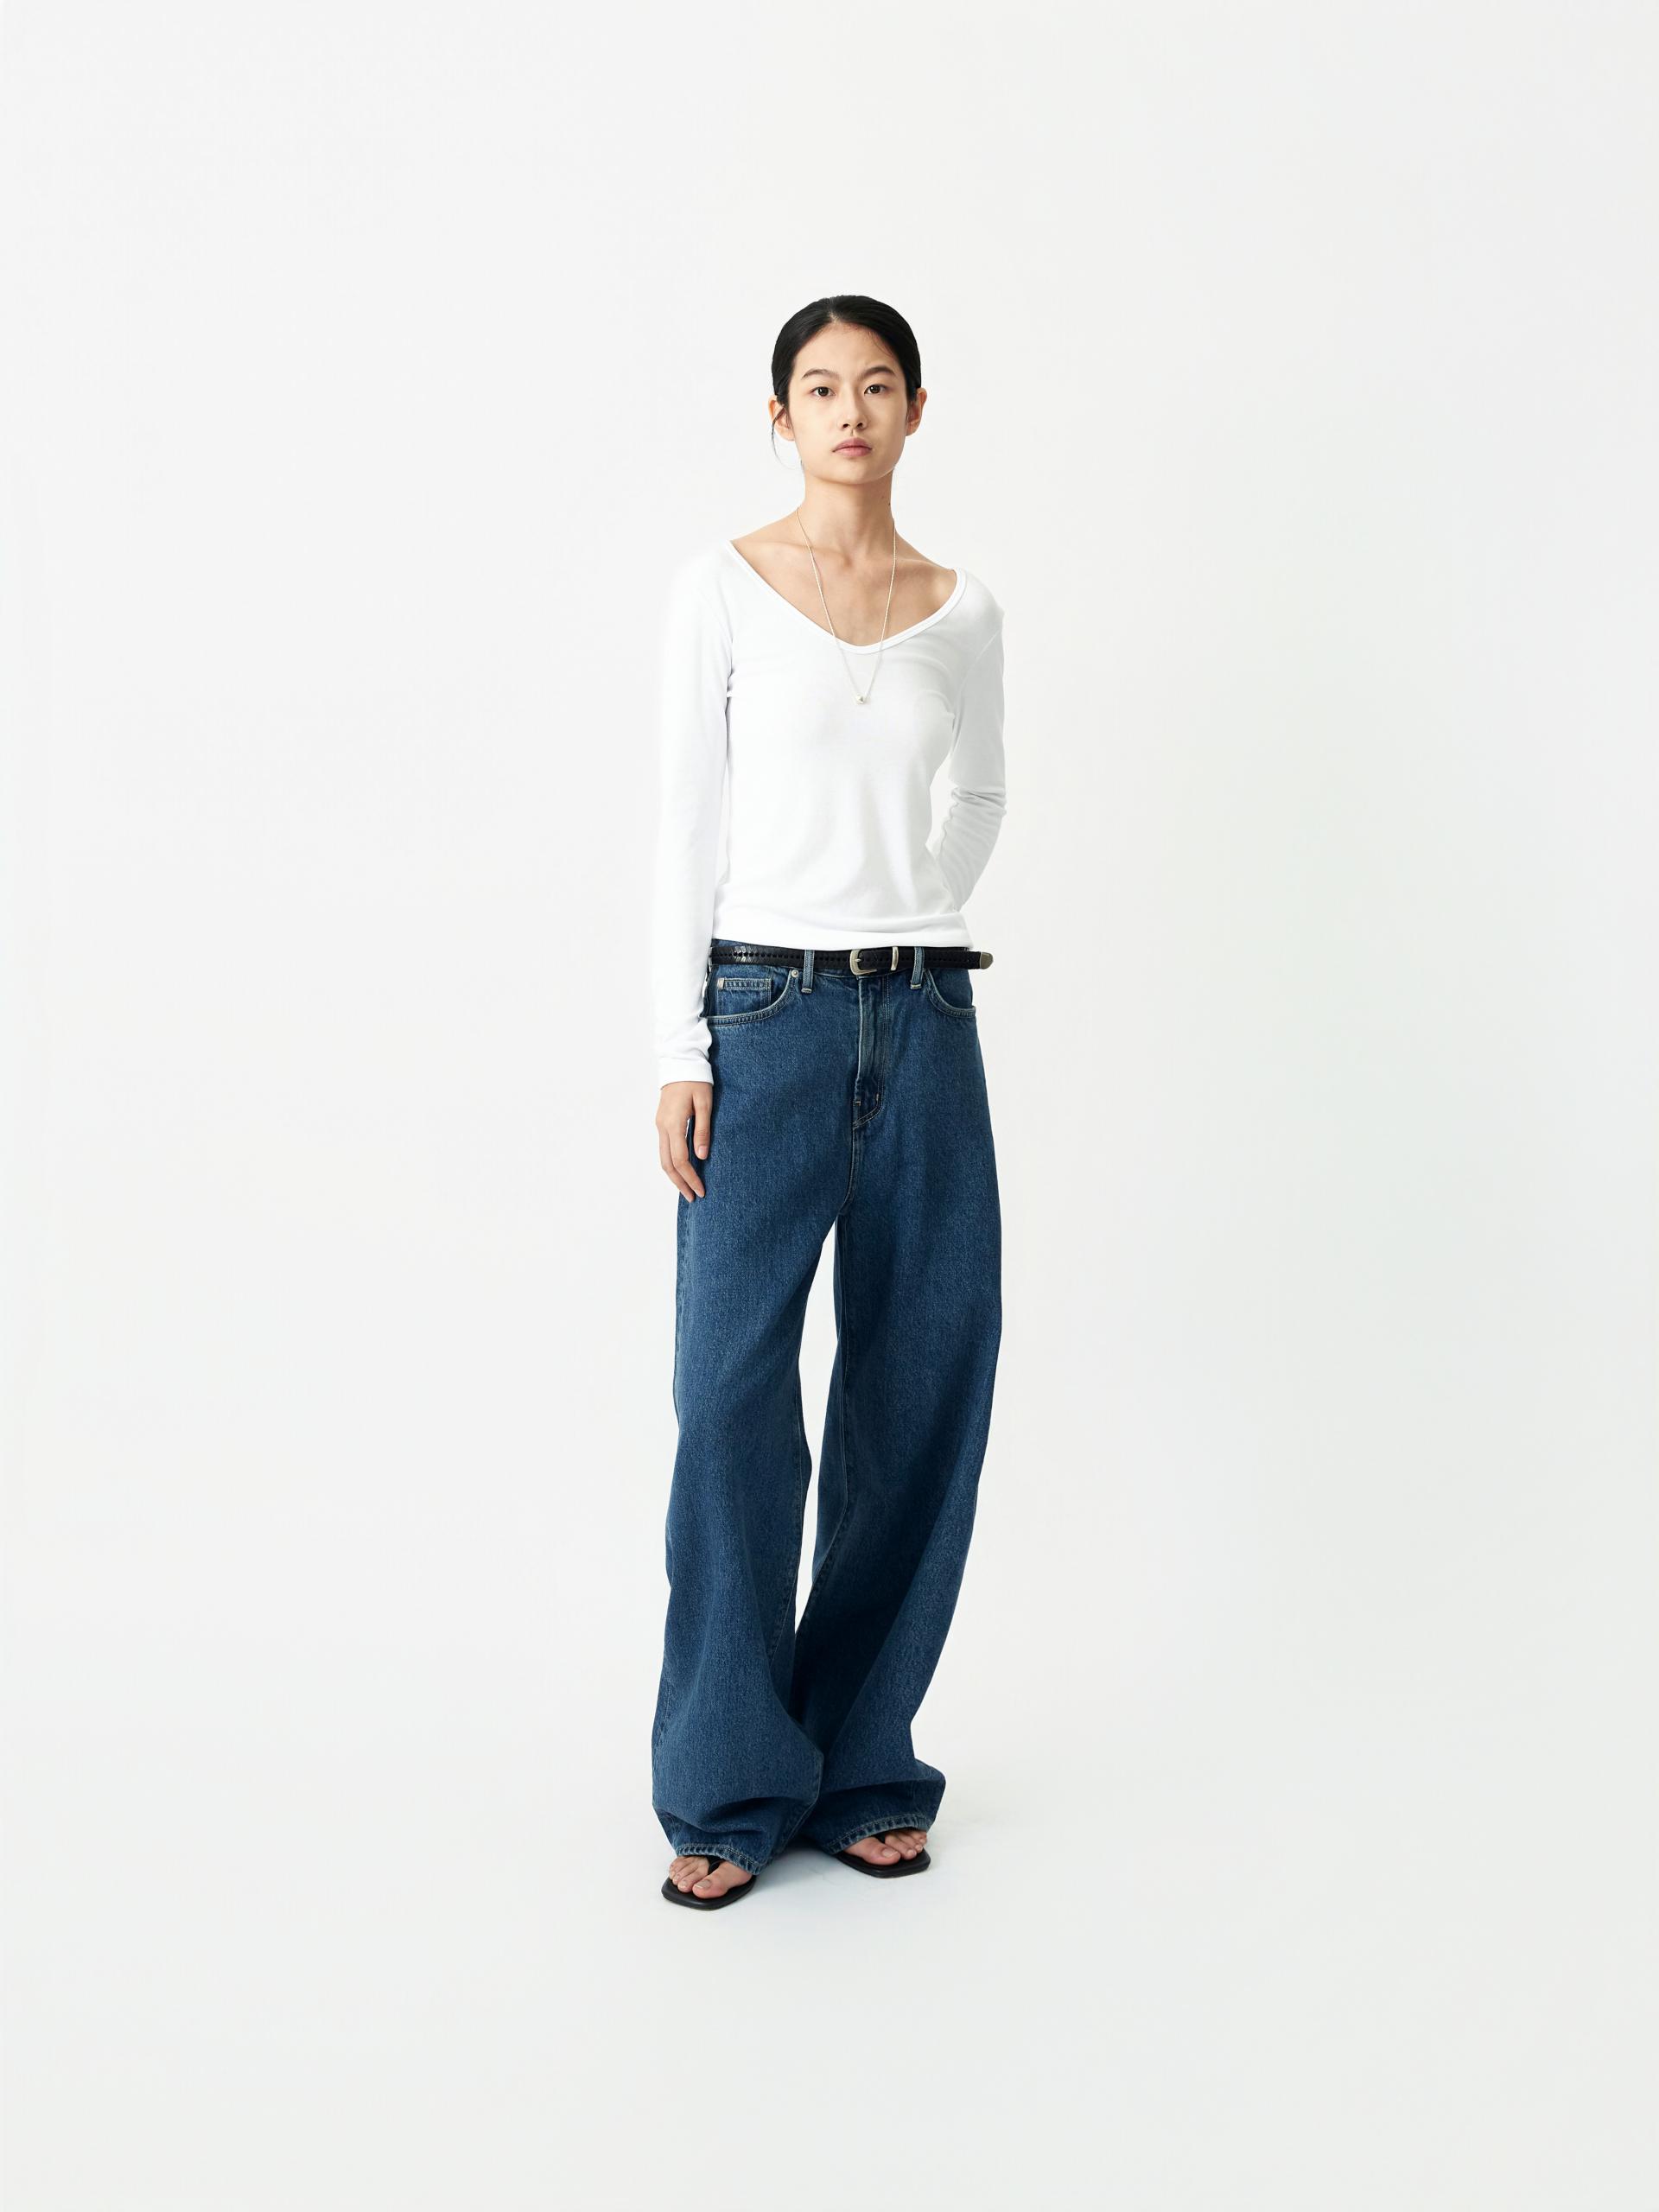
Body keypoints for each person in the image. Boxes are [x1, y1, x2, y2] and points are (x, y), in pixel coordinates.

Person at [649, 296, 1007, 1910]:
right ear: (781, 416)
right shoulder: (722, 589)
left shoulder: (962, 607)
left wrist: (917, 896)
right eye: (819, 387)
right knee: (732, 1396)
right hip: (763, 1015)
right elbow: (686, 821)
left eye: (876, 386)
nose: (849, 411)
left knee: (920, 1385)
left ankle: (863, 1760)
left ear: (916, 410)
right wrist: (679, 1045)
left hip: (927, 1014)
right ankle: (731, 1784)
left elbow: (981, 788)